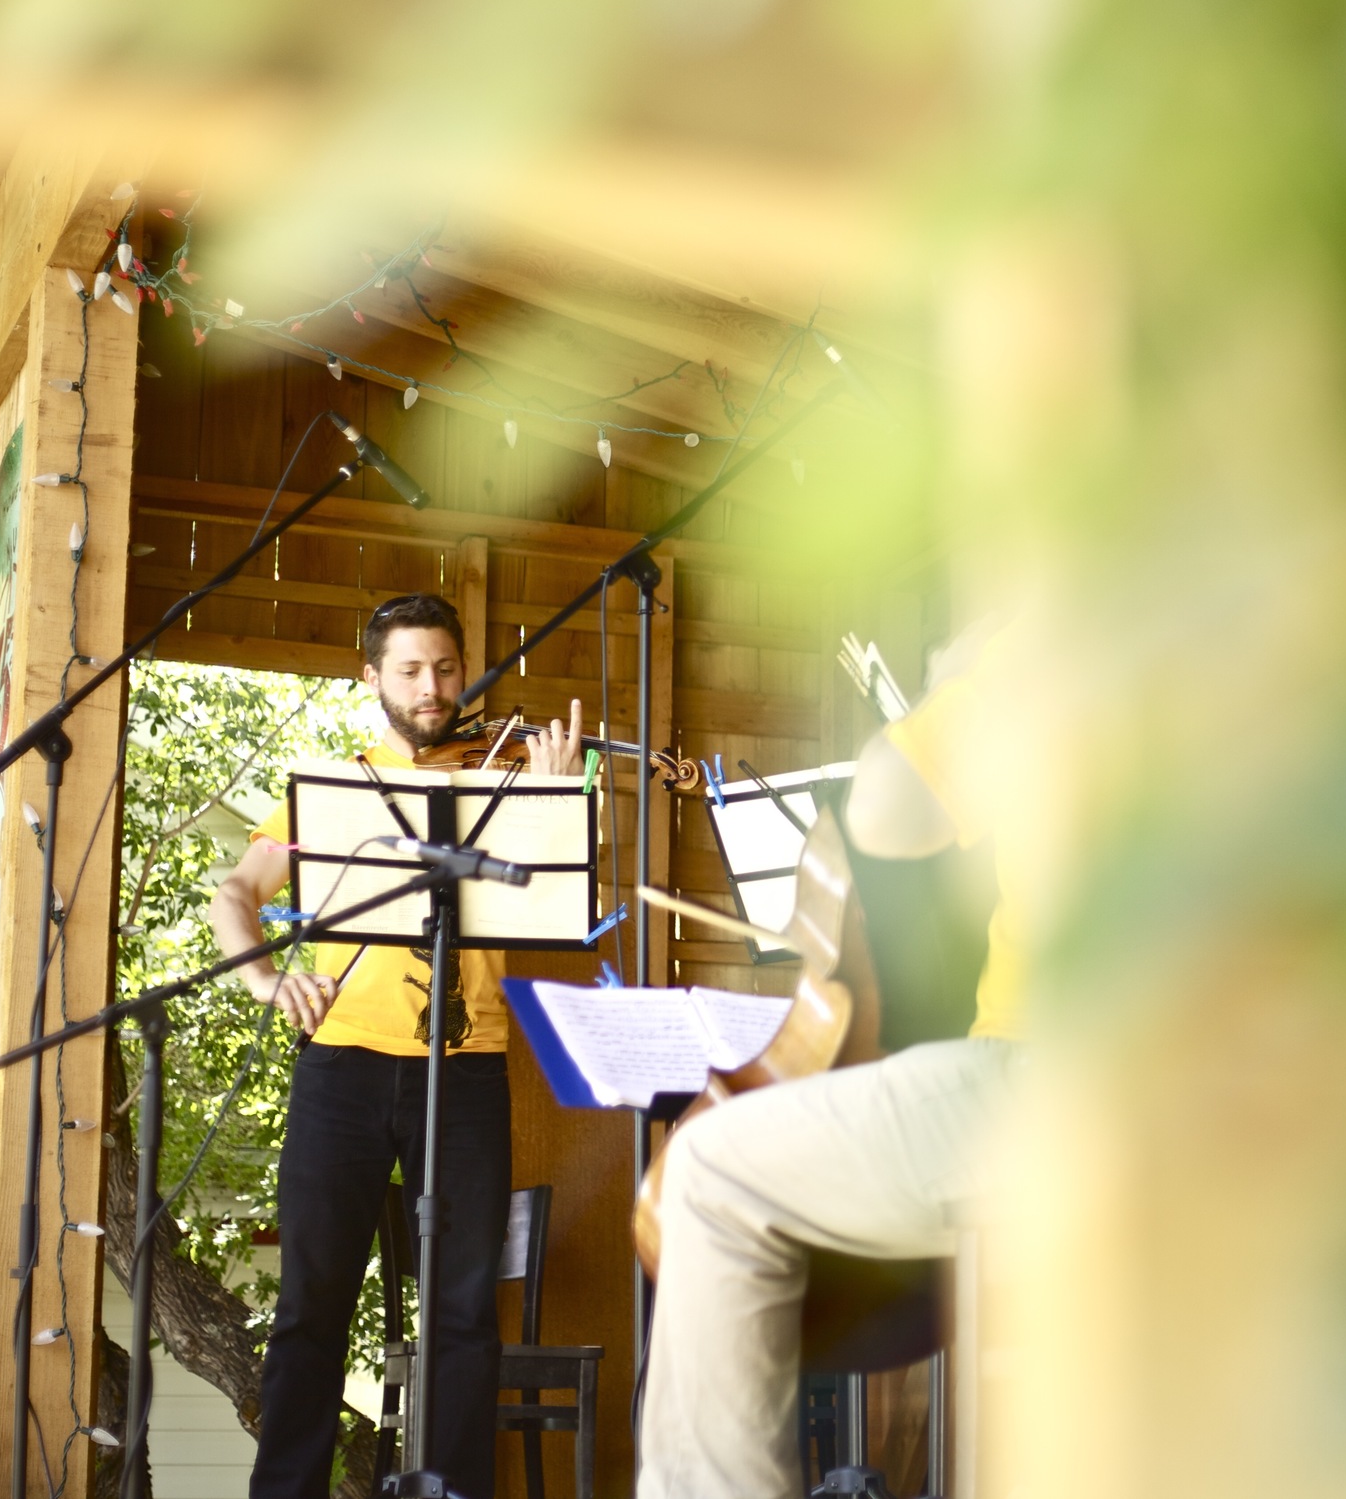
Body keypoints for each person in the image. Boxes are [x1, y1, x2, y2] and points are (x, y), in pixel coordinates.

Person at [212, 592, 581, 1499]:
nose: (432, 688)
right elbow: (236, 893)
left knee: (463, 1313)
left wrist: (553, 799)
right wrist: (269, 980)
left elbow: (552, 909)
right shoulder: (332, 788)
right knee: (311, 1306)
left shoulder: (499, 780)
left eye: (447, 668)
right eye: (410, 670)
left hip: (466, 1069)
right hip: (341, 1065)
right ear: (370, 675)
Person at [638, 634, 1024, 1499]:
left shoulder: (1057, 654)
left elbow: (884, 807)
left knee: (705, 1172)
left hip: (1049, 1077)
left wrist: (953, 687)